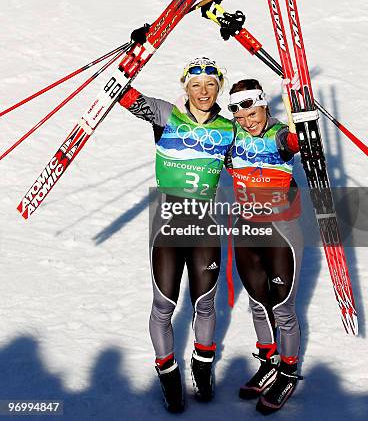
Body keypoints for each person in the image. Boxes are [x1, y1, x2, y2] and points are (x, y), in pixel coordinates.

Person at [119, 56, 234, 413]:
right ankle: (168, 373)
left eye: (211, 85)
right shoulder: (166, 115)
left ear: (219, 88)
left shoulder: (229, 130)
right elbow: (121, 93)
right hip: (167, 227)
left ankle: (202, 367)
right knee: (164, 305)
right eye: (196, 85)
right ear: (185, 87)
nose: (203, 92)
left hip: (205, 226)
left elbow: (257, 152)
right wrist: (136, 51)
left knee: (204, 303)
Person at [226, 77, 303, 414]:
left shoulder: (276, 134)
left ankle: (287, 372)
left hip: (280, 234)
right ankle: (269, 361)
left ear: (262, 105)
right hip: (246, 231)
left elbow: (294, 141)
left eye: (251, 112)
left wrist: (299, 116)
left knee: (282, 308)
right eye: (240, 116)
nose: (248, 121)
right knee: (258, 304)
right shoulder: (231, 135)